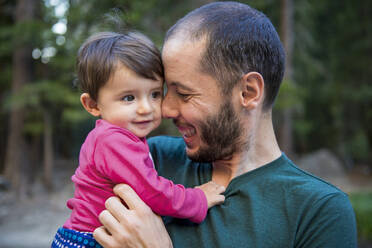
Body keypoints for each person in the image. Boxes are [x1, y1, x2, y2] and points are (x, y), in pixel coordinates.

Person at [92, 2, 358, 248]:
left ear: (248, 93)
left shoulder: (318, 210)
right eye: (164, 92)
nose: (165, 109)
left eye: (184, 94)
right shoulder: (150, 159)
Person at [51, 31, 226, 248]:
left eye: (154, 94)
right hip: (92, 240)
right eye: (129, 98)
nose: (146, 108)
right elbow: (152, 191)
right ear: (93, 105)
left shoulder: (117, 137)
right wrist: (196, 199)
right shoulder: (113, 141)